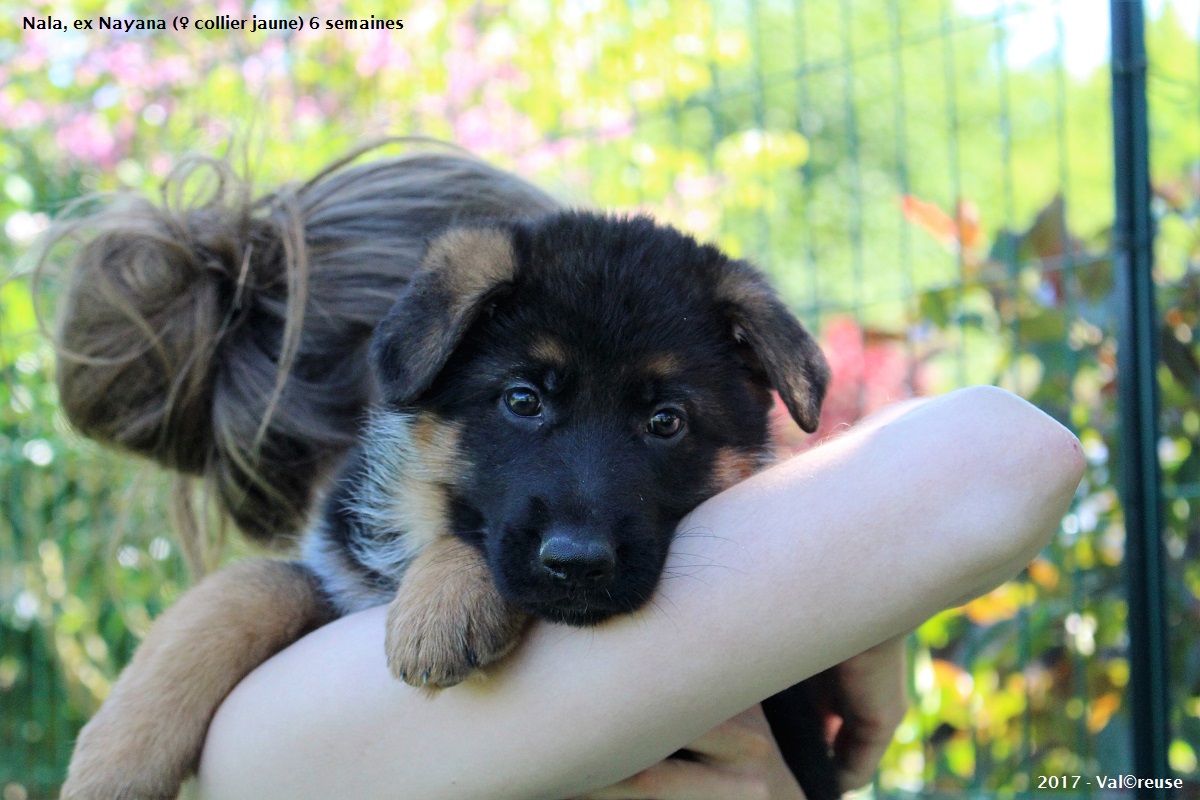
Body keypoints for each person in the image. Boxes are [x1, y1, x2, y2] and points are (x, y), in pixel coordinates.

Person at [41, 140, 1085, 799]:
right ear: (408, 378)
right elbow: (1005, 453)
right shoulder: (270, 734)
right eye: (522, 402)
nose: (579, 511)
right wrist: (869, 611)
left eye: (663, 419)